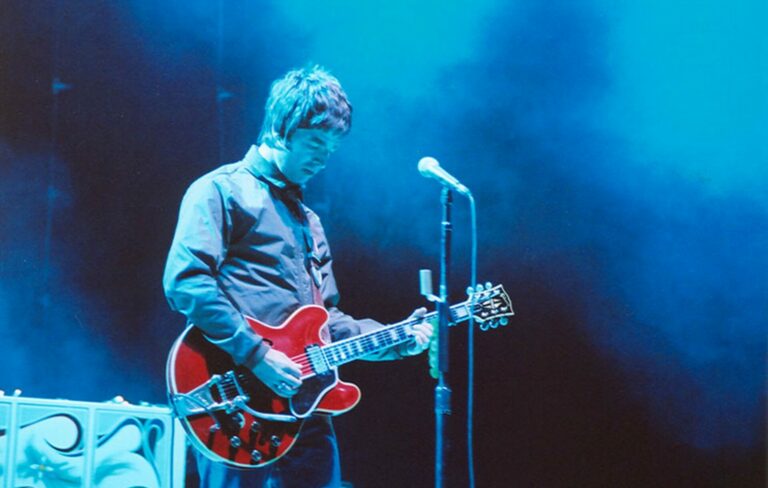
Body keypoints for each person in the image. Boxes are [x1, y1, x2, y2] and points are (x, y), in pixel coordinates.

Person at [162, 65, 433, 488]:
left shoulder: (309, 222)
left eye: (332, 147)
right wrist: (256, 356)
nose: (324, 157)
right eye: (315, 142)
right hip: (235, 403)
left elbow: (328, 322)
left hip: (306, 410)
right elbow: (186, 282)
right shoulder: (221, 191)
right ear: (279, 129)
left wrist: (397, 339)